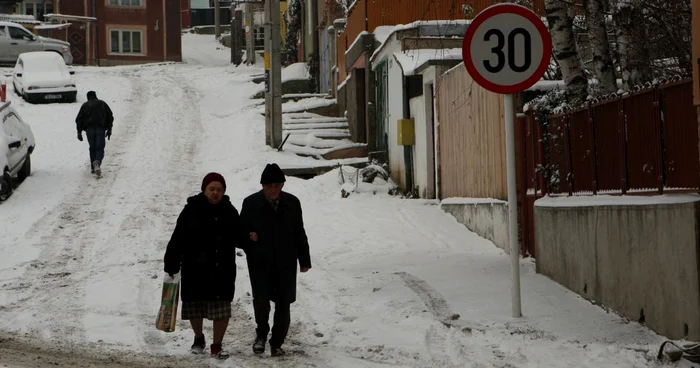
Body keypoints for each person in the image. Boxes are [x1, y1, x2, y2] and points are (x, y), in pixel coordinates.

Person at [163, 172, 248, 359]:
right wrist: (172, 262)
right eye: (212, 189)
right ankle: (198, 337)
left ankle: (217, 344)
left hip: (222, 269)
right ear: (204, 190)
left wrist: (250, 238)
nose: (215, 192)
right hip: (195, 268)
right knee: (195, 306)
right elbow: (177, 238)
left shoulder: (229, 211)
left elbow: (240, 237)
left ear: (223, 191)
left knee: (222, 308)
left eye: (219, 189)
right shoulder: (191, 210)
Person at [240, 163, 311, 357]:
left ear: (282, 185)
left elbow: (299, 232)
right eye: (269, 185)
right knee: (261, 301)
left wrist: (304, 260)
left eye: (277, 185)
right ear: (262, 185)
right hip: (260, 262)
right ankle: (261, 335)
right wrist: (249, 237)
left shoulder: (292, 203)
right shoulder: (251, 203)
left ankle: (277, 341)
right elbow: (239, 234)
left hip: (285, 261)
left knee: (283, 303)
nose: (273, 189)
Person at [75, 91, 114, 176]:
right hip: (100, 128)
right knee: (99, 148)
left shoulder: (85, 106)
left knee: (92, 148)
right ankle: (97, 162)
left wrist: (79, 132)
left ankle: (93, 167)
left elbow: (79, 119)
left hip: (89, 130)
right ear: (96, 96)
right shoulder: (102, 104)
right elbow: (110, 116)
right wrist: (110, 129)